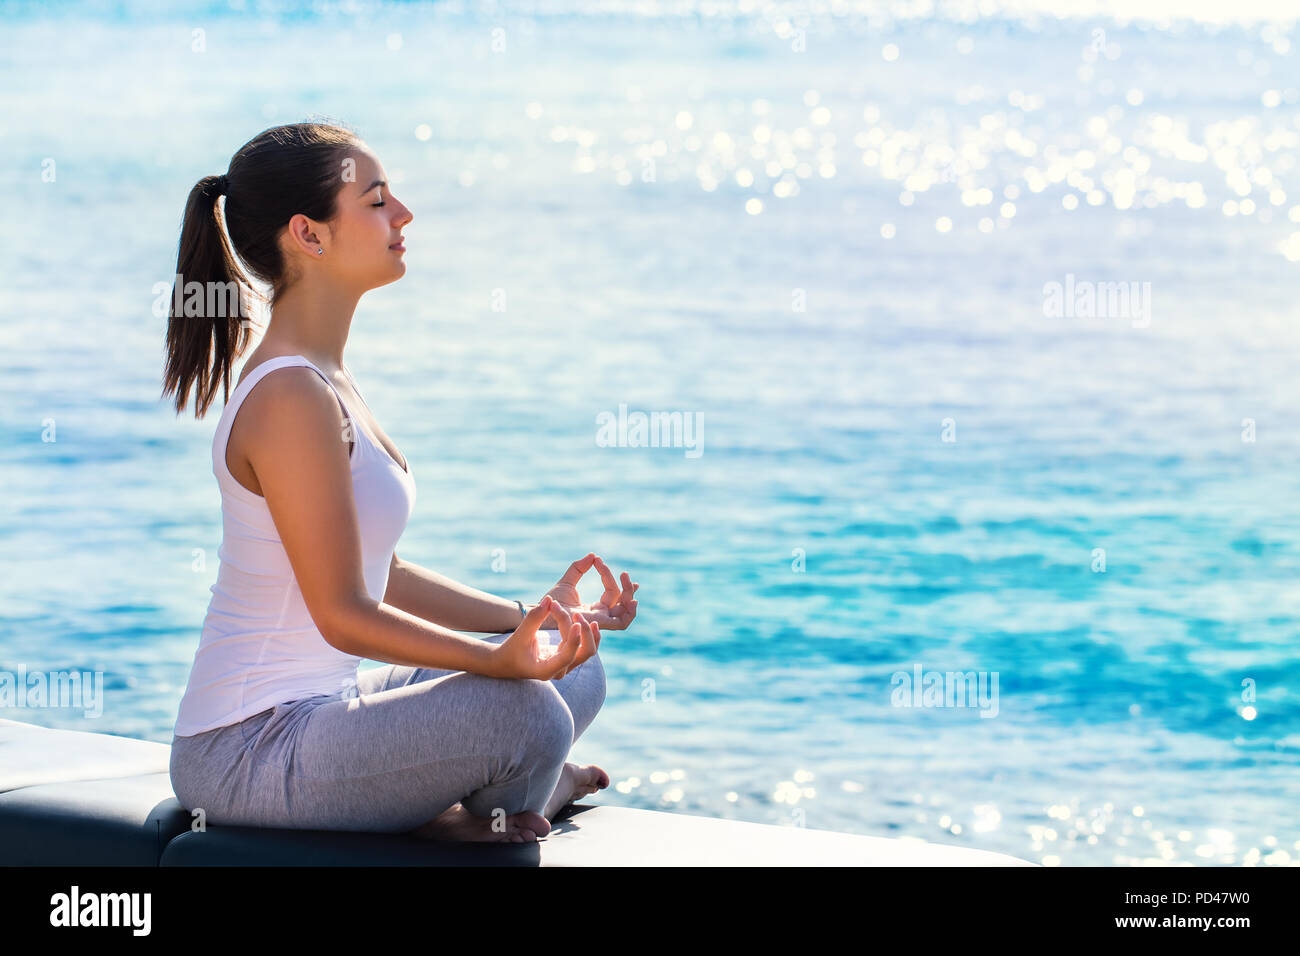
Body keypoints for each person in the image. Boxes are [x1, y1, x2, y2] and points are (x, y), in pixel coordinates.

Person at [161, 121, 639, 843]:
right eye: (377, 200)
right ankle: (500, 797)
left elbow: (378, 574)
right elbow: (343, 612)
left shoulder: (326, 377)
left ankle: (511, 786)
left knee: (574, 674)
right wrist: (493, 661)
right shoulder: (291, 396)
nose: (404, 214)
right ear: (309, 234)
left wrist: (527, 618)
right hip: (246, 748)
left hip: (326, 704)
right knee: (531, 709)